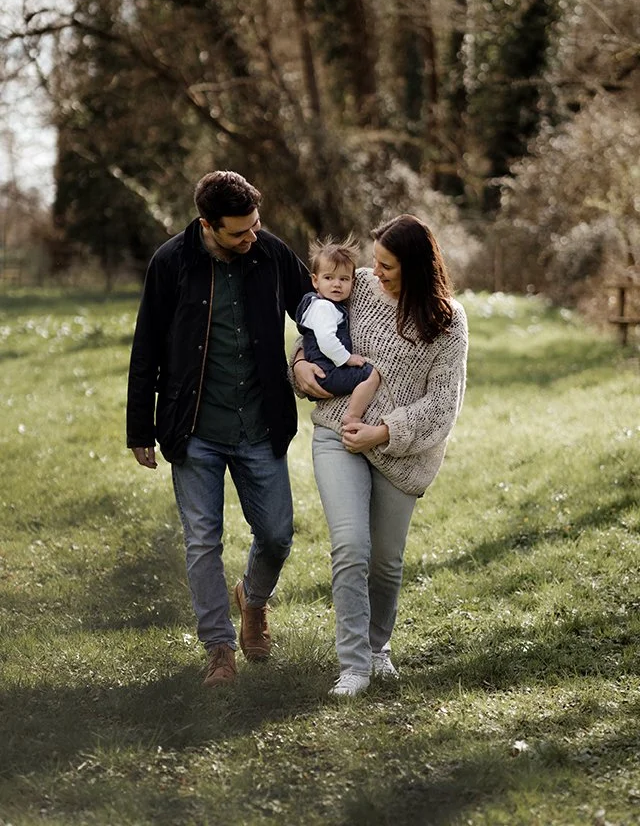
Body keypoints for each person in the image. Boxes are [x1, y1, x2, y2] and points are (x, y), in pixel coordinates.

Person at [127, 170, 312, 688]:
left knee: (276, 534)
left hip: (260, 424)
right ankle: (219, 651)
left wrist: (308, 359)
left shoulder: (271, 253)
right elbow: (146, 347)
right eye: (239, 232)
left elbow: (315, 312)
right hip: (194, 429)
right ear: (208, 225)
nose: (251, 237)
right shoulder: (170, 262)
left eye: (255, 225)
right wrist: (139, 426)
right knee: (202, 541)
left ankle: (252, 601)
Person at [293, 214, 468, 696]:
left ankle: (377, 649)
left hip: (401, 453)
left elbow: (442, 406)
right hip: (338, 433)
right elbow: (316, 329)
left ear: (415, 266)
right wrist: (300, 365)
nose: (376, 271)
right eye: (375, 262)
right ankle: (353, 666)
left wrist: (383, 432)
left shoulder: (448, 323)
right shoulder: (360, 286)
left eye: (387, 265)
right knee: (351, 547)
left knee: (386, 562)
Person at [295, 236, 381, 426]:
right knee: (371, 374)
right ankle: (352, 416)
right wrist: (347, 358)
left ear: (353, 281)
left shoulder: (316, 305)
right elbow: (326, 340)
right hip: (327, 372)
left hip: (323, 371)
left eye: (344, 279)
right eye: (329, 278)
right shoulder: (324, 308)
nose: (336, 284)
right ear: (315, 281)